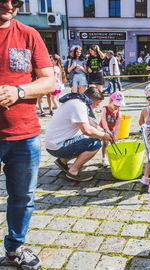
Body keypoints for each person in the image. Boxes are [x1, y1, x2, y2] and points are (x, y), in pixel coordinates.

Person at [0, 0, 56, 268]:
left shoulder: (29, 34)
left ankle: (14, 248)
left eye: (17, 0)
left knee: (23, 198)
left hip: (24, 135)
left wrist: (19, 91)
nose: (9, 4)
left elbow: (49, 80)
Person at [45, 87, 112, 181]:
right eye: (97, 104)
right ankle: (73, 172)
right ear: (91, 100)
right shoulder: (79, 105)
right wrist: (103, 136)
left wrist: (104, 131)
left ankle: (62, 161)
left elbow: (88, 121)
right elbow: (87, 130)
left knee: (86, 139)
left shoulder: (77, 101)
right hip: (57, 146)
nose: (97, 107)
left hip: (54, 142)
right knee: (95, 143)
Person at [100, 91, 124, 166]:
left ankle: (115, 157)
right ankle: (104, 158)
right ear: (110, 101)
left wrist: (115, 135)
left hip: (112, 130)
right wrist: (106, 130)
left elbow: (118, 124)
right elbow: (103, 120)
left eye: (119, 105)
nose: (117, 107)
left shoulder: (118, 112)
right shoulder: (105, 109)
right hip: (104, 129)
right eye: (115, 104)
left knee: (114, 143)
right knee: (105, 143)